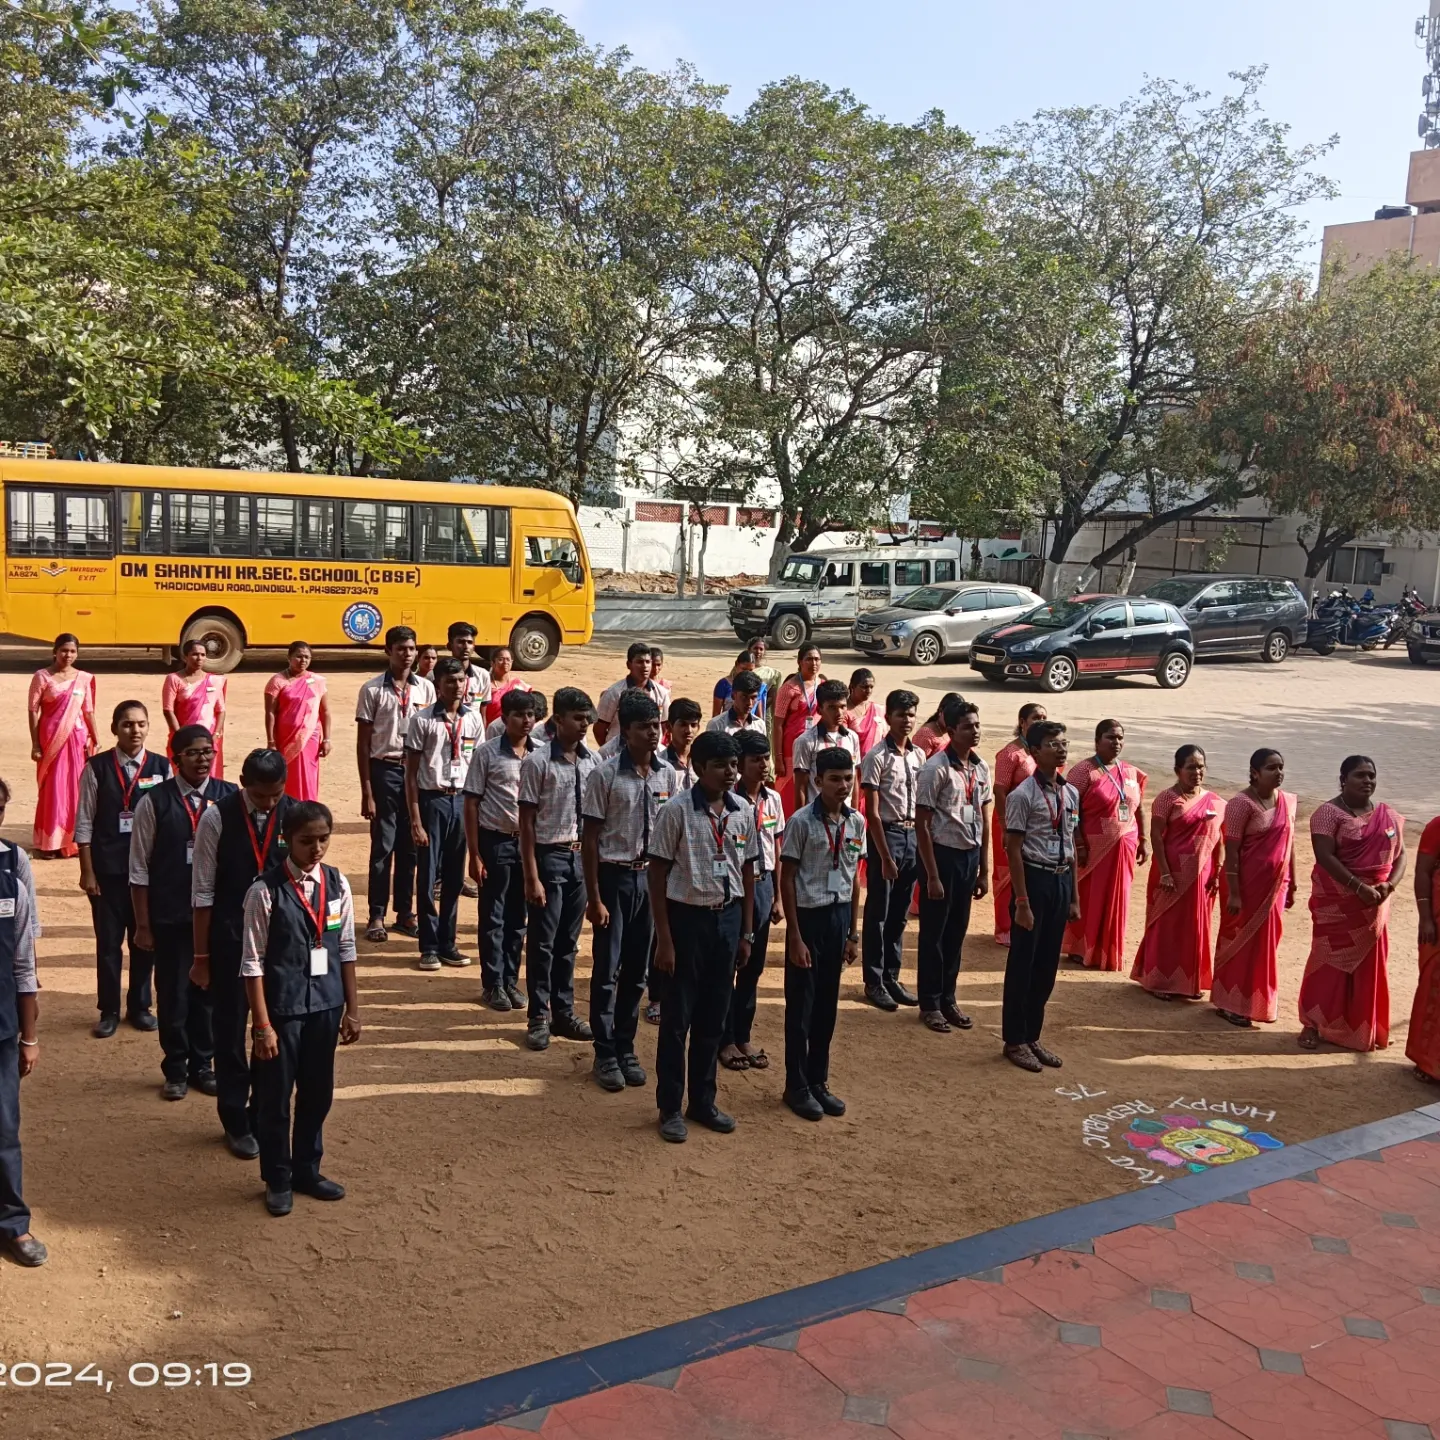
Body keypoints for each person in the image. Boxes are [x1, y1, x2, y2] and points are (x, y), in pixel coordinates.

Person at [243, 800, 362, 1217]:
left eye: (323, 840)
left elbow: (345, 947)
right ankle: (277, 1178)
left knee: (318, 1093)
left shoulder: (338, 884)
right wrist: (262, 1025)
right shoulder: (264, 891)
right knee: (275, 1098)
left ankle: (307, 1170)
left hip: (326, 1006)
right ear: (286, 841)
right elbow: (252, 963)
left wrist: (352, 1008)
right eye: (306, 841)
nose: (316, 849)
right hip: (283, 1010)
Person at [648, 731, 758, 1143]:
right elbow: (656, 873)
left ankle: (703, 1101)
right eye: (720, 766)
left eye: (733, 765)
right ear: (699, 769)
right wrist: (664, 938)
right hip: (686, 921)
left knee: (714, 1017)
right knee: (678, 1020)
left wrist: (745, 931)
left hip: (727, 921)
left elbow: (747, 870)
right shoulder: (676, 811)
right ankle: (669, 1107)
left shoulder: (743, 810)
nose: (730, 773)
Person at [191, 748, 291, 1158]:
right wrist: (201, 957)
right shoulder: (217, 817)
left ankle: (261, 1113)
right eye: (260, 796)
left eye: (276, 795)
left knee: (273, 1029)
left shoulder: (296, 812)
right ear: (243, 783)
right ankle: (234, 1118)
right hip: (231, 939)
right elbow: (202, 890)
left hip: (281, 942)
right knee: (231, 1031)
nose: (269, 803)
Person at [130, 724, 237, 1100]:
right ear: (176, 758)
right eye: (193, 752)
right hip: (172, 917)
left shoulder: (230, 798)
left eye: (208, 750)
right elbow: (139, 867)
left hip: (214, 919)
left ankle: (203, 1066)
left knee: (208, 995)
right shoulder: (154, 801)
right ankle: (175, 1068)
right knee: (174, 995)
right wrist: (143, 924)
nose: (203, 758)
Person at [582, 692, 673, 1092]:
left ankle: (626, 1046)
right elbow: (590, 839)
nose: (653, 734)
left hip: (650, 880)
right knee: (608, 970)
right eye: (644, 728)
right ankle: (604, 1053)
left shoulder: (667, 774)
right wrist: (595, 897)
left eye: (656, 726)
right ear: (627, 732)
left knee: (638, 972)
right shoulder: (604, 774)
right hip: (614, 878)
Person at [1297, 756, 1406, 1052]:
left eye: (1371, 775)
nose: (1367, 780)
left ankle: (1365, 1025)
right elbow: (1325, 856)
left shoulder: (1388, 816)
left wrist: (1389, 885)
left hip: (1375, 904)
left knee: (1371, 964)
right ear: (1343, 779)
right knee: (1327, 961)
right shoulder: (1327, 814)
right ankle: (1313, 1023)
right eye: (1360, 775)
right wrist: (1358, 887)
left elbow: (1401, 856)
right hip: (1339, 904)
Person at [779, 747, 864, 1121]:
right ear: (818, 781)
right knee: (802, 1008)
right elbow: (787, 878)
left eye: (848, 778)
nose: (842, 785)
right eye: (834, 779)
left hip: (839, 916)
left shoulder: (856, 822)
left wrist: (853, 933)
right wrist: (795, 937)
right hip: (809, 920)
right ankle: (795, 1086)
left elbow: (854, 879)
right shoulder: (801, 822)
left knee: (827, 1008)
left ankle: (818, 1081)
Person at [77, 701, 168, 1037]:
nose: (135, 730)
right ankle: (109, 1010)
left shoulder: (162, 767)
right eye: (128, 724)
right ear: (115, 728)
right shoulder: (96, 768)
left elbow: (169, 820)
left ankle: (140, 1006)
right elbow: (84, 821)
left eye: (141, 724)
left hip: (147, 875)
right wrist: (87, 871)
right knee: (108, 944)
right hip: (108, 873)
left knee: (145, 941)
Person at [519, 687, 599, 1050]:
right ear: (559, 719)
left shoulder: (591, 762)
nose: (585, 725)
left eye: (588, 719)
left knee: (569, 942)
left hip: (580, 859)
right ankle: (538, 1014)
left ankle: (563, 1011)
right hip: (550, 857)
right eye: (578, 718)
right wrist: (532, 876)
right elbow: (526, 823)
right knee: (543, 942)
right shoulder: (538, 762)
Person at [1002, 720, 1080, 1073]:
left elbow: (1070, 847)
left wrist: (1074, 897)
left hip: (1061, 881)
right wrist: (1021, 902)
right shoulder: (1022, 796)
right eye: (1052, 744)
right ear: (1034, 752)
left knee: (1048, 965)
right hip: (1033, 881)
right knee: (1024, 964)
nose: (1060, 749)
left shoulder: (1070, 793)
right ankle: (1014, 1039)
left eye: (1063, 743)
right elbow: (1014, 850)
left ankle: (1033, 1034)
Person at [915, 697, 992, 1034]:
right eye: (967, 727)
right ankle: (929, 1002)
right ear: (953, 730)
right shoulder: (935, 768)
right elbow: (922, 823)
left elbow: (985, 818)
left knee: (957, 932)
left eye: (977, 725)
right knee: (934, 933)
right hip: (941, 857)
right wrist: (931, 874)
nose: (974, 732)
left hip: (969, 856)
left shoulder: (981, 767)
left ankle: (949, 997)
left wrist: (984, 868)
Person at [404, 658, 484, 972]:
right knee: (427, 876)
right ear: (437, 684)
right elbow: (410, 775)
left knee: (454, 876)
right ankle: (428, 945)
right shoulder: (422, 720)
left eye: (461, 680)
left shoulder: (474, 719)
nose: (457, 686)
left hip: (462, 801)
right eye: (450, 681)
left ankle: (447, 942)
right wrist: (415, 819)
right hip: (431, 801)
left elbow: (478, 766)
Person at [356, 626, 435, 943]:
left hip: (415, 773)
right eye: (401, 648)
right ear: (388, 650)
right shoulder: (372, 689)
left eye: (412, 648)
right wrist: (367, 791)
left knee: (411, 847)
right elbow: (363, 744)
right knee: (383, 847)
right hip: (384, 771)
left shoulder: (426, 690)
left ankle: (405, 914)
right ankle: (377, 914)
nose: (407, 654)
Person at [465, 689, 540, 1012]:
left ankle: (510, 979)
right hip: (495, 840)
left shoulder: (540, 755)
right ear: (504, 718)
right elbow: (471, 802)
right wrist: (474, 852)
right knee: (493, 914)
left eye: (531, 715)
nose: (526, 722)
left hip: (528, 844)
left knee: (518, 916)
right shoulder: (487, 753)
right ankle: (492, 982)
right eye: (519, 715)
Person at [1130, 746, 1222, 1002]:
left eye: (1201, 766)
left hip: (1201, 876)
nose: (1197, 772)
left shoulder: (1214, 800)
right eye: (1191, 767)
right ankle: (1158, 980)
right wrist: (1166, 873)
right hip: (1170, 873)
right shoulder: (1167, 799)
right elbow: (1157, 837)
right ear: (1178, 770)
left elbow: (1219, 837)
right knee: (1166, 926)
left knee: (1193, 926)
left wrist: (1218, 871)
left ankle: (1188, 982)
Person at [1212, 750, 1296, 1028]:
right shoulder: (1240, 804)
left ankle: (1258, 1002)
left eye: (1281, 767)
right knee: (1239, 940)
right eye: (1271, 768)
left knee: (1266, 944)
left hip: (1275, 887)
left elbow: (1289, 843)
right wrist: (1234, 891)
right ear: (1255, 772)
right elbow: (1232, 850)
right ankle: (1229, 1002)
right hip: (1245, 886)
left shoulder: (1287, 802)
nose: (1278, 772)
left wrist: (1292, 881)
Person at [721, 730, 785, 1072]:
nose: (763, 765)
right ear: (740, 764)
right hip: (734, 890)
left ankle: (742, 1033)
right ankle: (724, 1038)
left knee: (753, 968)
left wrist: (776, 897)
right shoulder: (729, 802)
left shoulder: (773, 800)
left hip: (762, 887)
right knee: (729, 966)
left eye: (766, 758)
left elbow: (775, 849)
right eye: (755, 760)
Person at [1063, 721, 1149, 972]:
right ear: (1097, 740)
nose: (1116, 742)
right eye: (1110, 738)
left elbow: (1139, 808)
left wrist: (1143, 839)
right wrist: (1078, 842)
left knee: (1118, 899)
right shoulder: (1083, 772)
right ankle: (1081, 949)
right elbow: (1071, 810)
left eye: (1120, 738)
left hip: (1124, 849)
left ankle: (1109, 950)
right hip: (1092, 848)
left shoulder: (1131, 773)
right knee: (1090, 898)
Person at [0, 777, 44, 1266]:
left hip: (2, 1024)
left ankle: (13, 1225)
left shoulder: (14, 865)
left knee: (5, 1129)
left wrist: (29, 1035)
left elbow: (24, 960)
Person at [860, 689, 923, 1011]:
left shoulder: (918, 756)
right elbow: (871, 811)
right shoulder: (876, 757)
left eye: (911, 714)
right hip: (888, 835)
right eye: (901, 714)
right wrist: (884, 855)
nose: (907, 720)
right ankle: (873, 980)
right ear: (889, 717)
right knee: (879, 914)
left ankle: (892, 976)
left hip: (913, 836)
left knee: (899, 915)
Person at [643, 698, 704, 1026]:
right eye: (683, 724)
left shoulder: (702, 765)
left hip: (693, 858)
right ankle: (656, 996)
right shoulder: (659, 765)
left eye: (695, 724)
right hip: (664, 856)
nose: (690, 730)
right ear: (670, 728)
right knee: (659, 930)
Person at [28, 632, 98, 858]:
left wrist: (95, 737)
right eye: (64, 650)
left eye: (73, 651)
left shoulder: (84, 679)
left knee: (74, 789)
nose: (68, 655)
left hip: (77, 741)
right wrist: (35, 743)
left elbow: (88, 711)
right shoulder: (42, 677)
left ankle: (71, 841)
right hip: (51, 742)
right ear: (55, 651)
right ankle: (49, 842)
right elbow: (33, 711)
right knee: (53, 789)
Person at [991, 704, 1046, 946]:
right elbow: (1000, 790)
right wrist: (1005, 825)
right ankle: (1006, 928)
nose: (1040, 721)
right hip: (1009, 821)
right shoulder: (1010, 753)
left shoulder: (1042, 750)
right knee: (1007, 874)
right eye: (1036, 718)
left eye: (1044, 717)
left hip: (1034, 824)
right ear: (1022, 722)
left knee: (1030, 871)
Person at [264, 642, 331, 801]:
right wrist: (271, 741)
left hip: (310, 739)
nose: (303, 660)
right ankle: (286, 812)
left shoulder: (317, 681)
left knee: (308, 774)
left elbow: (325, 711)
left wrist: (327, 739)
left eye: (307, 657)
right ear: (289, 657)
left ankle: (308, 810)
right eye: (299, 656)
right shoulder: (277, 681)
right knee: (286, 775)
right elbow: (270, 712)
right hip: (284, 739)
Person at [789, 679, 860, 809]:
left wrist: (854, 813)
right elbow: (800, 786)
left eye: (843, 707)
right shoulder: (805, 741)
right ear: (819, 709)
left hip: (845, 815)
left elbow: (854, 780)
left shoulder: (852, 738)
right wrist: (801, 821)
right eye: (832, 707)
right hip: (816, 817)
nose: (839, 713)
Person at [163, 641, 228, 780]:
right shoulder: (174, 679)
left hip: (208, 740)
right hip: (184, 739)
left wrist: (215, 736)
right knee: (183, 775)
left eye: (203, 655)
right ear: (185, 656)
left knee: (209, 777)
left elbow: (221, 710)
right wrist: (179, 735)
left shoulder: (214, 681)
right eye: (195, 654)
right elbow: (168, 710)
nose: (199, 658)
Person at [1407, 813, 1440, 1083]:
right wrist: (1426, 917)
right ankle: (1428, 1062)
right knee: (1435, 987)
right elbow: (1422, 870)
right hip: (1438, 920)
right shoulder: (1437, 826)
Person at [773, 644, 824, 814]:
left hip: (816, 747)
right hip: (791, 749)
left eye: (817, 659)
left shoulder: (823, 685)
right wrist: (778, 757)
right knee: (789, 791)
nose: (813, 663)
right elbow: (778, 724)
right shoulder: (789, 688)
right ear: (800, 662)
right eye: (809, 659)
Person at [593, 643, 665, 748]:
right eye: (639, 662)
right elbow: (599, 729)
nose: (645, 666)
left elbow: (664, 726)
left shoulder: (662, 693)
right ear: (629, 665)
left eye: (648, 662)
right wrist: (611, 752)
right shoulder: (614, 693)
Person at [447, 622, 493, 712]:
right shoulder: (438, 674)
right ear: (449, 646)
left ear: (474, 646)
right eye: (461, 642)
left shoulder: (483, 675)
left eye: (470, 642)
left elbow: (482, 713)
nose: (466, 646)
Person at [707, 669, 767, 737]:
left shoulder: (759, 725)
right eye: (744, 697)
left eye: (753, 697)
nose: (749, 703)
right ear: (733, 695)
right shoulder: (716, 725)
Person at [484, 646, 530, 726]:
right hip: (490, 729)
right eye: (501, 659)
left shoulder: (518, 684)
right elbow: (475, 706)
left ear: (512, 662)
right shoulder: (483, 685)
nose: (505, 662)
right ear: (492, 663)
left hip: (513, 729)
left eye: (508, 659)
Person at [713, 649, 764, 720]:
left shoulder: (756, 685)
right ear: (736, 664)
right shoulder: (723, 684)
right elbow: (716, 714)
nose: (747, 673)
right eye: (744, 669)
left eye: (750, 670)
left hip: (749, 726)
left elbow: (759, 714)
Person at [844, 669, 882, 757]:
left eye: (871, 687)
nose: (869, 691)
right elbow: (843, 741)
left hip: (876, 762)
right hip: (853, 762)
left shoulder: (878, 709)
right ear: (852, 686)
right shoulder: (844, 711)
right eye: (864, 687)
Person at [913, 694, 960, 760]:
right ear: (940, 711)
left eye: (957, 716)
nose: (953, 719)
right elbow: (917, 764)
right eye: (949, 715)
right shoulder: (926, 734)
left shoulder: (955, 731)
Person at [649, 646, 672, 713]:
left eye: (658, 665)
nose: (656, 668)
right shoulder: (641, 683)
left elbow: (667, 706)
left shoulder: (666, 685)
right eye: (653, 665)